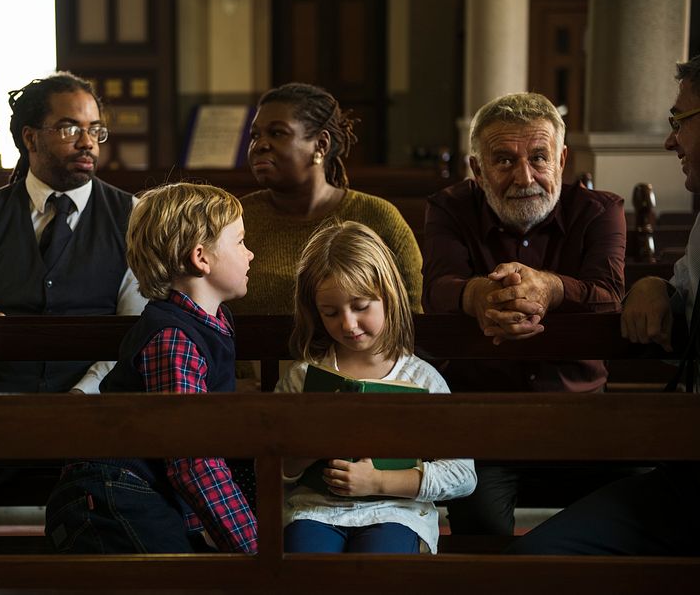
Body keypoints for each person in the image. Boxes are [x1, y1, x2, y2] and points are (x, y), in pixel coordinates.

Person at [507, 57, 700, 557]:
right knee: (532, 560)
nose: (668, 140)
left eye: (680, 121)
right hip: (685, 478)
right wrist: (655, 285)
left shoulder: (599, 212)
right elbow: (678, 293)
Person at [422, 91, 629, 537]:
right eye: (503, 160)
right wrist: (481, 296)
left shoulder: (600, 211)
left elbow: (609, 296)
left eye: (539, 157)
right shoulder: (449, 208)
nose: (525, 176)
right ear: (476, 169)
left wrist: (550, 288)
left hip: (581, 418)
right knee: (481, 534)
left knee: (626, 521)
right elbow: (439, 291)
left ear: (562, 158)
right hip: (483, 424)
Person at [45, 183, 258, 554]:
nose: (250, 254)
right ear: (201, 258)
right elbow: (192, 460)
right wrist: (257, 549)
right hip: (108, 494)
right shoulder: (174, 338)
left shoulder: (210, 324)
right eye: (239, 242)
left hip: (138, 492)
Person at [0, 71, 146, 393]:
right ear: (30, 138)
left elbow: (139, 329)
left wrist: (83, 392)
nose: (87, 142)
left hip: (100, 405)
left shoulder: (133, 217)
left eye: (95, 130)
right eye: (69, 128)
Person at [276, 220, 475, 554]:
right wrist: (305, 451)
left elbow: (461, 474)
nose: (348, 324)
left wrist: (379, 481)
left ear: (388, 296)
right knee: (304, 562)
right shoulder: (302, 377)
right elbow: (272, 465)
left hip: (395, 513)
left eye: (361, 306)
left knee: (380, 566)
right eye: (331, 312)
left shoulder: (422, 380)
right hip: (316, 511)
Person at [233, 83, 423, 317]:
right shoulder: (237, 220)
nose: (259, 145)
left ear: (321, 144)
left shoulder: (377, 217)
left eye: (277, 133)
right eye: (255, 135)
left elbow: (411, 318)